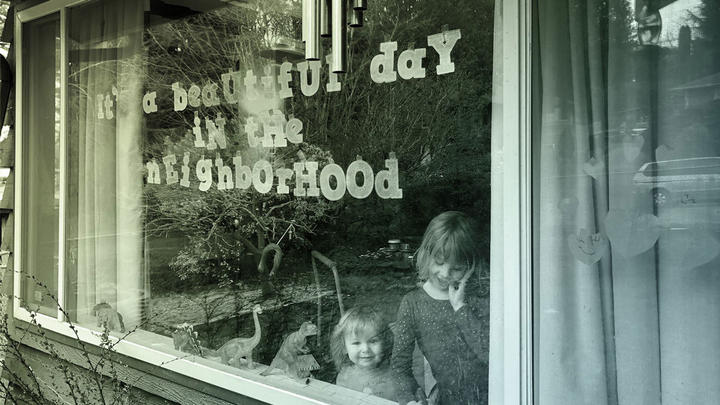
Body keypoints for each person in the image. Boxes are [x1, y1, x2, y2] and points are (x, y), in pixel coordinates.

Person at [391, 211, 488, 405]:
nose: (445, 273)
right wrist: (410, 399)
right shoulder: (413, 303)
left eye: (457, 268)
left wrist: (460, 308)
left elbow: (490, 354)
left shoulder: (480, 296)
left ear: (471, 265)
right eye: (439, 262)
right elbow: (399, 367)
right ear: (426, 254)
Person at [331, 305, 398, 401]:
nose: (365, 349)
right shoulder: (345, 376)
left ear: (385, 342)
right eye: (356, 343)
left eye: (373, 341)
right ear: (344, 347)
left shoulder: (396, 377)